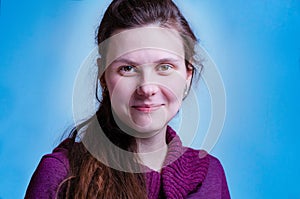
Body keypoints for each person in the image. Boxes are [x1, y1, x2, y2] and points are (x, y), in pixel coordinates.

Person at [25, 0, 230, 198]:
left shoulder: (210, 174)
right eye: (127, 68)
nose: (147, 87)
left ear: (187, 74)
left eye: (165, 67)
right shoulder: (60, 175)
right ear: (103, 75)